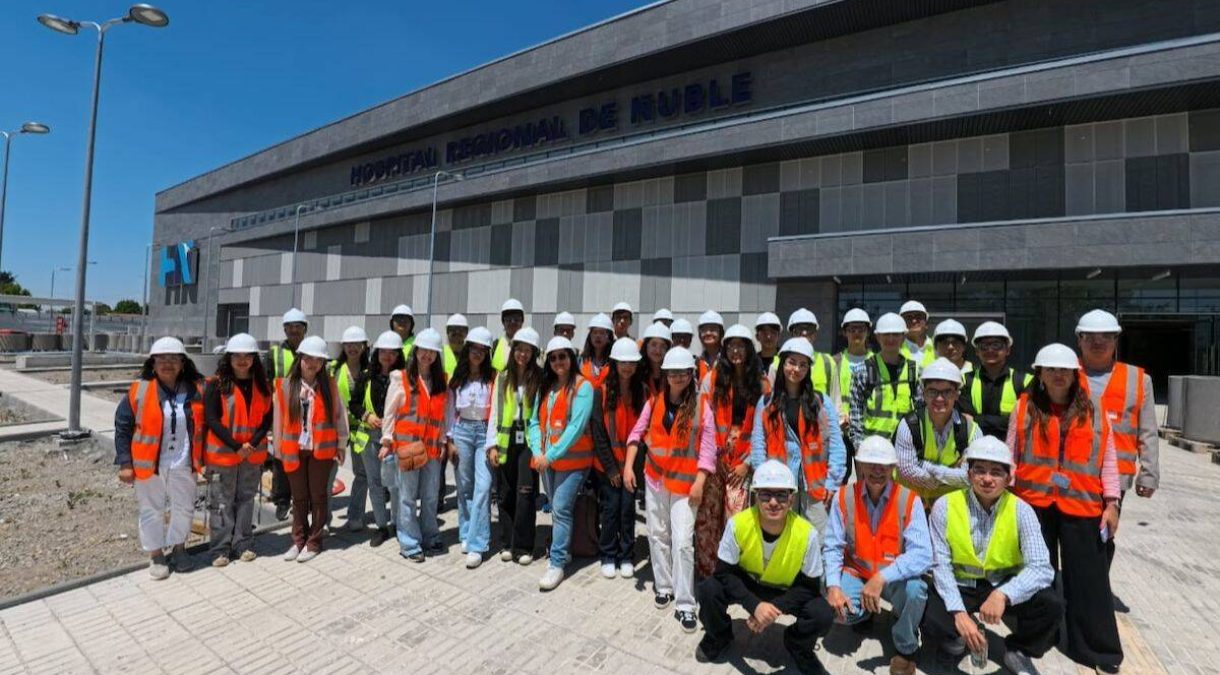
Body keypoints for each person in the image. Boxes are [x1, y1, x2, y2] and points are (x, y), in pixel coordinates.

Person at [1008, 343, 1123, 673]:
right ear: (1040, 374)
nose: (1058, 375)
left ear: (1075, 374)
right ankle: (1037, 639)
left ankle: (1099, 652)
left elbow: (1109, 459)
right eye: (1051, 370)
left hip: (1083, 506)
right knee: (1037, 578)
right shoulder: (1025, 407)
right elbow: (1011, 454)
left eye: (1064, 370)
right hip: (1034, 505)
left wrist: (1112, 504)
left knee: (1090, 582)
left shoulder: (1095, 410)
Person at [923, 436, 1061, 675]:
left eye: (996, 472)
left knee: (1051, 604)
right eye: (980, 470)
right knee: (923, 603)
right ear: (969, 474)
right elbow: (940, 566)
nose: (987, 479)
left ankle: (1019, 650)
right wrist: (959, 614)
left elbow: (1041, 567)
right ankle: (956, 639)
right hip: (961, 584)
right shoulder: (945, 506)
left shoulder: (1022, 510)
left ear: (1009, 478)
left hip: (1002, 583)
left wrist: (1003, 594)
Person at [695, 460, 835, 675]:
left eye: (781, 495)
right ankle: (719, 636)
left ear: (792, 498)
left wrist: (771, 609)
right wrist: (754, 606)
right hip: (749, 584)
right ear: (755, 496)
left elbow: (810, 587)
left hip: (787, 590)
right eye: (765, 494)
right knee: (708, 589)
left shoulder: (807, 534)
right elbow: (724, 573)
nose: (773, 502)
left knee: (822, 613)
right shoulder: (738, 524)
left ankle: (798, 644)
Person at [623, 346, 716, 632]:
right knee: (657, 534)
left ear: (690, 374)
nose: (677, 377)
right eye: (672, 372)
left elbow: (708, 448)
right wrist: (628, 466)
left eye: (682, 372)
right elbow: (636, 434)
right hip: (655, 479)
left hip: (686, 485)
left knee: (683, 542)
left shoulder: (702, 407)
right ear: (665, 375)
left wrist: (700, 482)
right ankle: (663, 586)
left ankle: (686, 603)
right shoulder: (654, 403)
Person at [822, 436, 931, 675]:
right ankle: (864, 613)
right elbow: (832, 546)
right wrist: (833, 587)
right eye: (870, 464)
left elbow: (923, 554)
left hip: (892, 579)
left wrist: (880, 579)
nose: (877, 471)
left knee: (916, 590)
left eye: (884, 466)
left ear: (893, 468)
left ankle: (905, 647)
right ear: (859, 465)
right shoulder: (844, 496)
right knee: (836, 602)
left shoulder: (909, 499)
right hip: (858, 572)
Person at [114, 337, 206, 579]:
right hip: (150, 466)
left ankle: (178, 548)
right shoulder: (139, 390)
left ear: (183, 363)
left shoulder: (196, 389)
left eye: (174, 359)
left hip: (184, 462)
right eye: (162, 359)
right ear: (152, 363)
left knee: (184, 507)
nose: (168, 363)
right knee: (151, 509)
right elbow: (122, 426)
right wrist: (125, 462)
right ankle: (156, 554)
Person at [750, 338, 846, 532]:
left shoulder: (821, 402)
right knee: (781, 537)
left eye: (803, 365)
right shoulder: (767, 403)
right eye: (792, 362)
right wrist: (763, 481)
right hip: (778, 486)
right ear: (783, 363)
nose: (796, 369)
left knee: (819, 540)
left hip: (816, 485)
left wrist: (832, 481)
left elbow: (836, 444)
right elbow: (758, 445)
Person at [695, 324, 766, 578]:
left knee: (736, 517)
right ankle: (707, 571)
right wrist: (711, 454)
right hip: (714, 457)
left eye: (741, 345)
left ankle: (733, 573)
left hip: (742, 461)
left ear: (749, 349)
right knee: (708, 517)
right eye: (731, 345)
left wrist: (747, 462)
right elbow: (703, 418)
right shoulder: (712, 379)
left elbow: (765, 428)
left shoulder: (762, 383)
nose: (736, 351)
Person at [273, 335, 349, 563]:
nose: (313, 363)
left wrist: (342, 444)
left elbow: (339, 417)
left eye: (318, 360)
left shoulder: (330, 386)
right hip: (294, 449)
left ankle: (314, 541)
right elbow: (279, 420)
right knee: (299, 498)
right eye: (309, 358)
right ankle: (298, 540)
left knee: (318, 497)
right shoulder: (286, 386)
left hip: (321, 451)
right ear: (300, 359)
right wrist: (277, 450)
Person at [530, 336, 597, 591]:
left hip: (573, 463)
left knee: (560, 508)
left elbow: (576, 428)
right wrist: (537, 451)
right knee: (558, 511)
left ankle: (557, 563)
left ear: (572, 358)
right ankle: (564, 551)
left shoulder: (583, 387)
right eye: (554, 357)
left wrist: (550, 455)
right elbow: (534, 422)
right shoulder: (545, 386)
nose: (558, 361)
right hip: (547, 463)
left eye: (563, 356)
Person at [1075, 309, 1159, 511]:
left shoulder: (1138, 379)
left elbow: (1148, 432)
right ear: (1079, 340)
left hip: (1117, 478)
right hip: (1073, 474)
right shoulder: (1063, 373)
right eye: (1090, 337)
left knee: (1105, 537)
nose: (1098, 342)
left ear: (1116, 340)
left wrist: (1149, 474)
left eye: (1106, 336)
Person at [203, 333, 272, 567]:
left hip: (251, 454)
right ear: (229, 358)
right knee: (221, 502)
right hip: (224, 454)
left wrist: (250, 445)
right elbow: (212, 419)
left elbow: (266, 420)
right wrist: (236, 446)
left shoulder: (263, 386)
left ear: (254, 358)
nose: (242, 360)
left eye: (247, 356)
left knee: (246, 499)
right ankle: (220, 548)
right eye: (237, 356)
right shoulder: (216, 384)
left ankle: (243, 542)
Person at [380, 328, 448, 562]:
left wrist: (443, 440)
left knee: (429, 496)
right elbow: (389, 413)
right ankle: (409, 543)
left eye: (432, 352)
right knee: (407, 497)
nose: (427, 355)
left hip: (431, 450)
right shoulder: (401, 378)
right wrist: (387, 440)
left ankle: (430, 535)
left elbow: (444, 416)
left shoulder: (441, 382)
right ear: (416, 351)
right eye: (423, 350)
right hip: (408, 449)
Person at [590, 337, 646, 579]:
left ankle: (626, 556)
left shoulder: (641, 393)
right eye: (622, 362)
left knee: (627, 510)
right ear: (614, 363)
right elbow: (598, 434)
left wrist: (630, 468)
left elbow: (644, 432)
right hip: (607, 467)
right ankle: (608, 555)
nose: (627, 367)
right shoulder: (600, 392)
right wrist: (612, 469)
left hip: (630, 466)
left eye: (631, 363)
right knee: (611, 509)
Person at [486, 327, 543, 565]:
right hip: (505, 441)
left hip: (528, 440)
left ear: (533, 353)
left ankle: (524, 545)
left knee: (526, 493)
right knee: (506, 492)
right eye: (519, 349)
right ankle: (507, 543)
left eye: (527, 351)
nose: (522, 354)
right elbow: (494, 413)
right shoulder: (503, 377)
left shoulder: (539, 378)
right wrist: (491, 445)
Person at [895, 358, 981, 503]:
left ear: (956, 394)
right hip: (911, 504)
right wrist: (952, 473)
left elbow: (972, 476)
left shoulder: (971, 429)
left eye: (947, 392)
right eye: (933, 392)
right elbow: (906, 469)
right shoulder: (909, 424)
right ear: (923, 393)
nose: (939, 398)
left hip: (952, 506)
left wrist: (926, 466)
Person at [348, 331, 405, 546]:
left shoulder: (404, 378)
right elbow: (353, 404)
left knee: (396, 483)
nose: (387, 356)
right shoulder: (366, 377)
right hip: (370, 438)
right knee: (374, 482)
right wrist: (366, 415)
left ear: (398, 354)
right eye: (384, 351)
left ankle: (399, 524)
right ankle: (382, 526)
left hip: (396, 438)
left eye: (392, 352)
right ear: (377, 352)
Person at [446, 326, 497, 568]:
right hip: (462, 432)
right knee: (464, 487)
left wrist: (492, 442)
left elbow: (496, 412)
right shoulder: (458, 377)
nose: (477, 353)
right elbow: (449, 410)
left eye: (482, 349)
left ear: (488, 352)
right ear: (467, 350)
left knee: (484, 487)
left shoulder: (494, 378)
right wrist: (450, 439)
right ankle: (466, 533)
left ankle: (478, 543)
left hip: (484, 432)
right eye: (473, 348)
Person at [848, 312, 921, 448]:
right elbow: (855, 415)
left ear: (903, 337)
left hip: (906, 449)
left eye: (896, 334)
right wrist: (859, 448)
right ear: (877, 337)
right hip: (872, 449)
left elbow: (922, 412)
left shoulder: (914, 371)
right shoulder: (863, 371)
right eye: (886, 334)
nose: (891, 339)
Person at [265, 307, 308, 521]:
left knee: (303, 456)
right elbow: (265, 386)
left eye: (298, 327)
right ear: (285, 330)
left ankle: (301, 499)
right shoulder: (273, 354)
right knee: (281, 458)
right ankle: (282, 500)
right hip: (281, 416)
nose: (294, 331)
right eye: (290, 327)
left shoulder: (311, 351)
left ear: (304, 329)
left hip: (305, 414)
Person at [958, 321, 1032, 440]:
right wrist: (1006, 421)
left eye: (996, 345)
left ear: (1008, 350)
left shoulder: (1025, 381)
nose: (990, 350)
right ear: (977, 351)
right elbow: (966, 420)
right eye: (984, 346)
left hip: (1011, 449)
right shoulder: (964, 381)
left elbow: (1024, 420)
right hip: (975, 447)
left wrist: (980, 419)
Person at [333, 326, 371, 533]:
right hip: (336, 429)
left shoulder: (370, 371)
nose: (353, 348)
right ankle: (323, 520)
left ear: (364, 347)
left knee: (361, 473)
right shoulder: (334, 370)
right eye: (349, 344)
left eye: (357, 344)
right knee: (328, 474)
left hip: (360, 430)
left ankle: (355, 516)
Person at [834, 308, 873, 483]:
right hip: (840, 428)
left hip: (866, 429)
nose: (856, 333)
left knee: (867, 479)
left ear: (867, 332)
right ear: (844, 332)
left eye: (861, 329)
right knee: (839, 478)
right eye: (852, 329)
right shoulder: (835, 361)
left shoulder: (877, 361)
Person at [785, 308, 839, 403]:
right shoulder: (778, 362)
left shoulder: (827, 362)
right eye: (799, 329)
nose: (804, 333)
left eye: (809, 330)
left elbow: (836, 402)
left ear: (815, 335)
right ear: (791, 334)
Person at [580, 313, 615, 388]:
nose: (598, 336)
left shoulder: (614, 362)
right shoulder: (580, 361)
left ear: (609, 337)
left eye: (602, 333)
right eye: (595, 332)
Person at [899, 300, 936, 368]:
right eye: (908, 317)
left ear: (926, 323)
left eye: (918, 317)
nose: (914, 321)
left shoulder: (937, 348)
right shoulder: (895, 350)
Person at [492, 298, 526, 371]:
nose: (513, 322)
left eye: (516, 319)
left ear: (522, 322)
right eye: (508, 319)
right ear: (503, 322)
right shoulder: (494, 346)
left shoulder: (530, 346)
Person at [640, 321, 671, 398]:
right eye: (654, 345)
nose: (658, 351)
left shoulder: (672, 374)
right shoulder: (637, 372)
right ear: (646, 346)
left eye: (663, 346)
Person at [696, 310, 724, 381]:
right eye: (704, 330)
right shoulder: (697, 362)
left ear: (721, 333)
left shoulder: (728, 359)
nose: (708, 333)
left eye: (713, 329)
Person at [443, 313, 468, 378]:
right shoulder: (440, 353)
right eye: (453, 331)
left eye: (461, 332)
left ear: (466, 334)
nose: (457, 333)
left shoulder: (470, 355)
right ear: (447, 332)